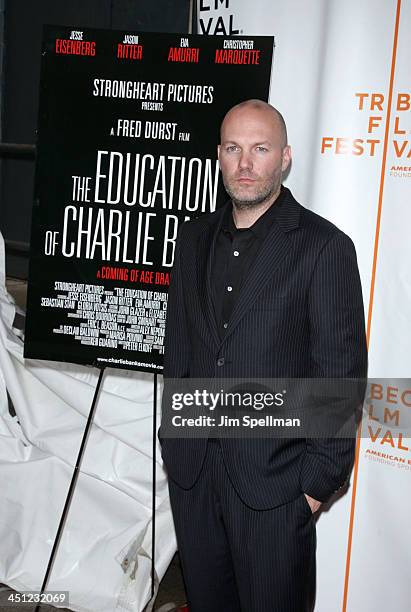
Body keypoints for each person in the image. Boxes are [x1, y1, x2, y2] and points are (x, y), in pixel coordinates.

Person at [159, 99, 367, 611]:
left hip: (277, 491)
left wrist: (313, 491)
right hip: (195, 480)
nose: (245, 163)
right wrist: (176, 443)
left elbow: (339, 378)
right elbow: (179, 349)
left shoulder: (323, 248)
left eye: (260, 149)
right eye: (233, 148)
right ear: (219, 156)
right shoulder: (193, 239)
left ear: (285, 158)